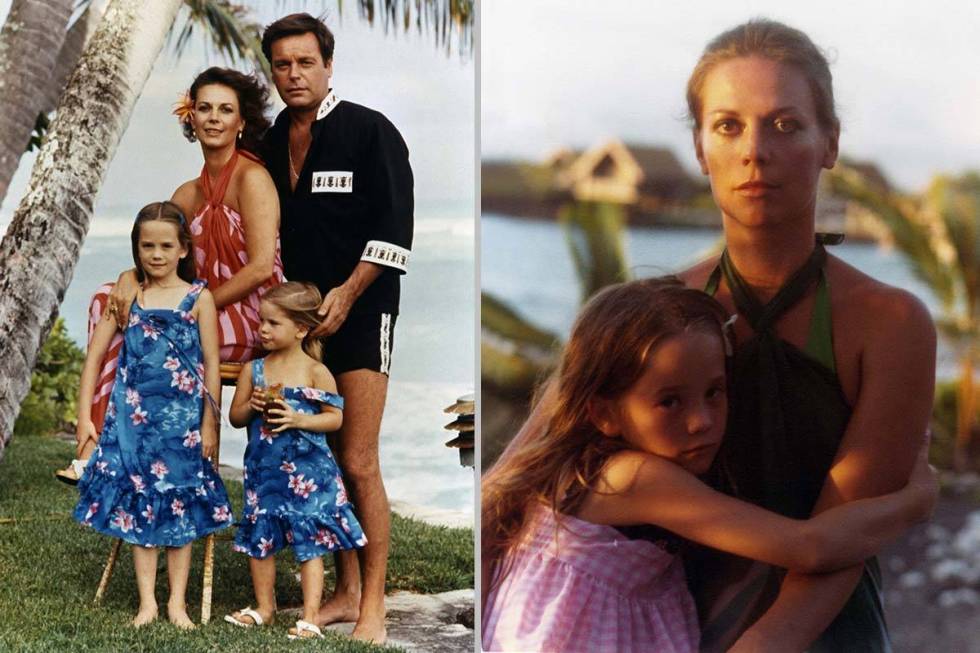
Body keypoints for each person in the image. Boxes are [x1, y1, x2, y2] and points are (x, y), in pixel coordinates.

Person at [496, 19, 936, 652]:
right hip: (650, 627)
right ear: (701, 148)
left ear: (830, 142)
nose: (755, 150)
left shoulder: (890, 322)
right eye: (729, 125)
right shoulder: (650, 318)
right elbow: (517, 480)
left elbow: (835, 540)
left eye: (786, 124)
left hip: (828, 632)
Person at [481, 278, 936, 653]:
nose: (701, 422)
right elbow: (809, 547)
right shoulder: (635, 478)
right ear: (603, 413)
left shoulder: (581, 470)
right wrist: (913, 502)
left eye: (715, 392)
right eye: (670, 401)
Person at [258, 13, 414, 643]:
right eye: (282, 65)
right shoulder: (269, 142)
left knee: (358, 459)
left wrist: (349, 294)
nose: (294, 75)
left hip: (364, 312)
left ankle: (372, 606)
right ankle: (345, 591)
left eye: (305, 62)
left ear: (327, 65)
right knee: (322, 457)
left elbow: (396, 233)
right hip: (301, 327)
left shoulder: (370, 131)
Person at [56, 67, 284, 484]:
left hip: (248, 312)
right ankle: (93, 447)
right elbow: (162, 255)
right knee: (107, 300)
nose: (214, 117)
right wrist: (129, 277)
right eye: (204, 108)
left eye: (225, 109)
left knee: (150, 325)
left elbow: (261, 267)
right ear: (191, 119)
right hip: (195, 307)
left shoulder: (253, 179)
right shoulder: (186, 195)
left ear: (241, 123)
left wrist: (197, 305)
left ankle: (109, 452)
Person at [72, 202, 233, 628]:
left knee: (180, 511)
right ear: (136, 248)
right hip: (134, 424)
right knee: (140, 509)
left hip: (183, 425)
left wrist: (209, 423)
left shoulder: (200, 298)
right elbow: (95, 357)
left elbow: (212, 366)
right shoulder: (128, 297)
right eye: (147, 246)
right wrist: (84, 416)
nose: (156, 254)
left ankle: (177, 603)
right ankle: (148, 603)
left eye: (166, 245)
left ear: (183, 249)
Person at [224, 281, 367, 640]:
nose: (263, 330)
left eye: (273, 323)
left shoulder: (315, 371)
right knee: (261, 539)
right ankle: (264, 607)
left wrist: (298, 419)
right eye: (262, 321)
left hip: (309, 473)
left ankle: (309, 616)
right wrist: (250, 406)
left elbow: (334, 418)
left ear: (301, 329)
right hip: (265, 472)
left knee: (310, 542)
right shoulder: (254, 370)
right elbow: (235, 417)